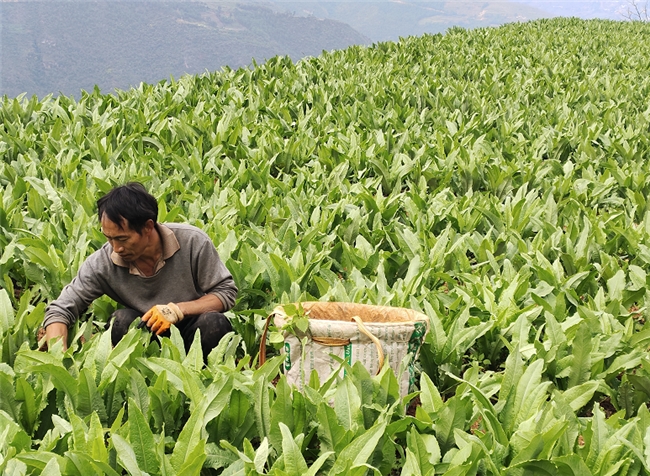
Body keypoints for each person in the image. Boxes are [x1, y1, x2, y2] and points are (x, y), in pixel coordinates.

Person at [42, 182, 238, 359]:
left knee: (215, 323)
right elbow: (61, 308)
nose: (116, 248)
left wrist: (177, 310)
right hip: (143, 332)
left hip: (191, 329)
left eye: (123, 239)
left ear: (148, 227)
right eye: (109, 238)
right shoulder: (103, 262)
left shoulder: (193, 242)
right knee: (121, 320)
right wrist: (58, 356)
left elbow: (225, 293)